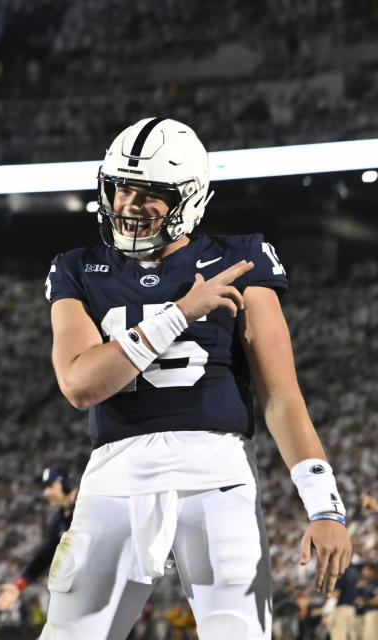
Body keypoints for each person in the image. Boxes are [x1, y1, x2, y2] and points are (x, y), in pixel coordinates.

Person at [41, 117, 352, 639]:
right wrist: (179, 313)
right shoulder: (77, 268)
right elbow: (79, 385)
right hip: (114, 476)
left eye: (149, 193)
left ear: (188, 198)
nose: (128, 204)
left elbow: (281, 397)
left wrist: (324, 504)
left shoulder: (240, 257)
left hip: (216, 474)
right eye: (121, 187)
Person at [0, 465, 77, 612]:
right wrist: (19, 584)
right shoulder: (58, 520)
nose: (46, 493)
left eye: (50, 486)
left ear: (66, 484)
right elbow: (44, 556)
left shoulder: (87, 505)